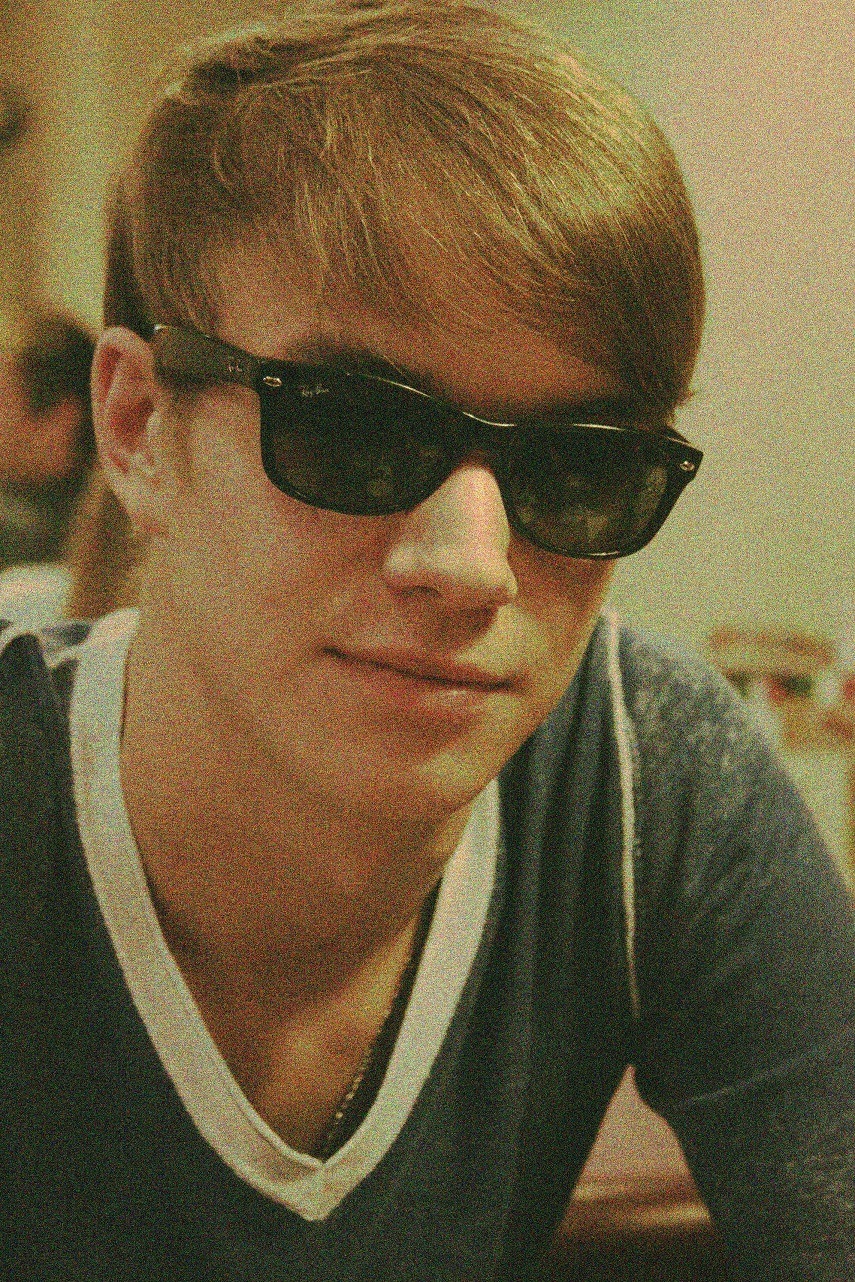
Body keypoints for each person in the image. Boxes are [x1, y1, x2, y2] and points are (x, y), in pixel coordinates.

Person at [1, 3, 852, 1278]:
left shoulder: (648, 780)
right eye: (351, 426)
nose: (470, 563)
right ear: (137, 427)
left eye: (581, 467)